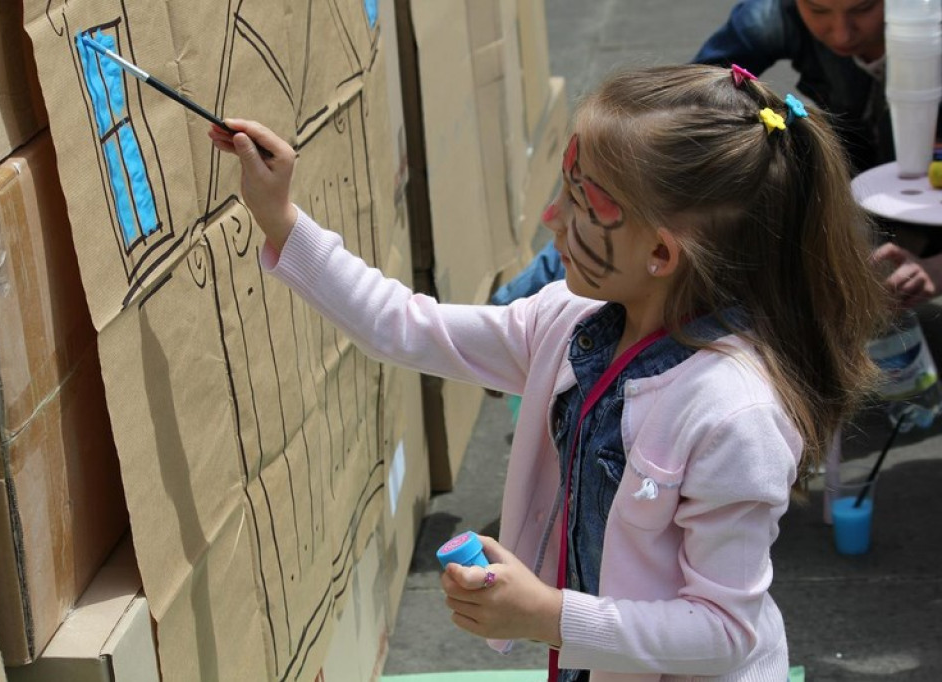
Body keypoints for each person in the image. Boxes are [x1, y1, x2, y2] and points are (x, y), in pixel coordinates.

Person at [210, 64, 887, 681]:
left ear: (659, 253)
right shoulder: (566, 321)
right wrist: (281, 218)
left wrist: (548, 614)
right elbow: (407, 327)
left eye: (580, 202)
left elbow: (724, 633)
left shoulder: (734, 415)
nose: (550, 218)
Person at [492, 0, 942, 307]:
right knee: (631, 190)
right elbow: (675, 117)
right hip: (855, 161)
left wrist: (935, 270)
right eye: (818, 10)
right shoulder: (770, 18)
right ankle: (508, 309)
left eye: (863, 9)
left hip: (924, 191)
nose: (841, 32)